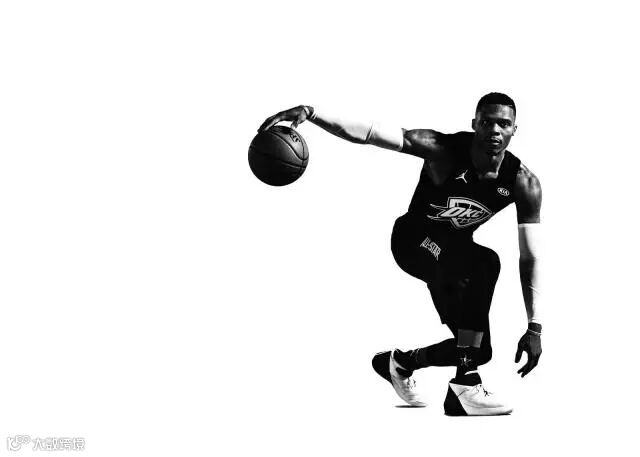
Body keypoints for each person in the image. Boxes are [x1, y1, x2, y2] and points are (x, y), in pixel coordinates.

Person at [259, 93, 542, 416]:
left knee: (477, 350)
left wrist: (535, 327)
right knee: (485, 262)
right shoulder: (442, 149)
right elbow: (370, 133)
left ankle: (400, 363)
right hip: (412, 242)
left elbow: (530, 258)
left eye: (503, 124)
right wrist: (311, 112)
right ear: (474, 124)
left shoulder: (523, 183)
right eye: (487, 122)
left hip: (454, 256)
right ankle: (465, 387)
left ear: (514, 129)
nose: (495, 130)